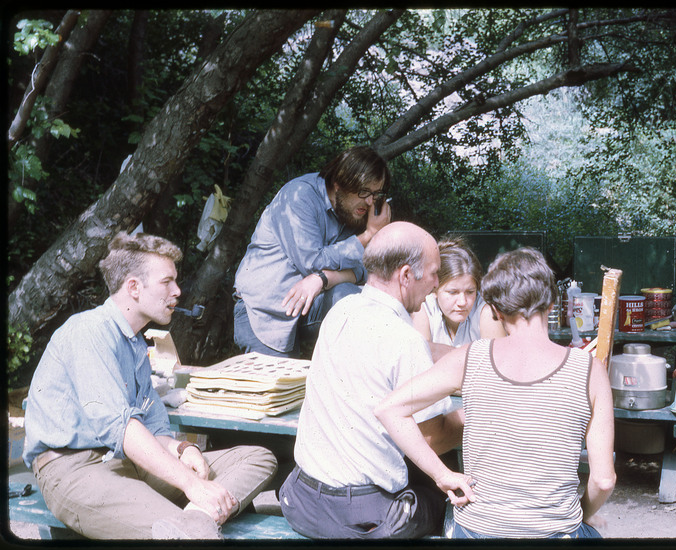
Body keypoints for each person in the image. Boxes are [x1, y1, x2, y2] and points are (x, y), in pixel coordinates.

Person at [22, 232, 278, 540]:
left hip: (129, 461)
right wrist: (192, 484)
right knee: (192, 534)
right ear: (133, 287)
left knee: (258, 457)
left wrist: (184, 449)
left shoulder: (134, 344)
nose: (177, 291)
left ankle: (197, 518)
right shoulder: (88, 332)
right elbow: (123, 429)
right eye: (166, 282)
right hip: (75, 470)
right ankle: (191, 527)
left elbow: (155, 431)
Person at [376, 247, 616, 539]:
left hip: (477, 531)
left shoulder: (468, 358)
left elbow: (388, 408)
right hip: (557, 532)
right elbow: (603, 480)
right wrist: (584, 514)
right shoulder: (590, 370)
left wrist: (442, 476)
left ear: (496, 310)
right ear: (552, 304)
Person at [279, 221, 464, 539]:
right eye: (434, 273)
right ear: (406, 275)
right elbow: (432, 439)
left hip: (301, 501)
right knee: (450, 500)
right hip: (362, 519)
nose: (436, 283)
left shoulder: (340, 310)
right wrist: (485, 407)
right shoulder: (404, 339)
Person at [233, 146, 392, 357]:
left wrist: (324, 279)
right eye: (363, 191)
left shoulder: (357, 211)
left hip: (309, 307)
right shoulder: (298, 197)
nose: (370, 202)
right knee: (278, 386)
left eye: (375, 193)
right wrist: (368, 235)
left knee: (353, 299)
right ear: (338, 183)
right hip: (265, 312)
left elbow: (371, 269)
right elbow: (313, 262)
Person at [412, 236, 506, 361]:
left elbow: (495, 366)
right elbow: (418, 361)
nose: (462, 302)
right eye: (453, 292)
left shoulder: (487, 312)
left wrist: (435, 350)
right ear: (434, 289)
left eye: (470, 292)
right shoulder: (423, 307)